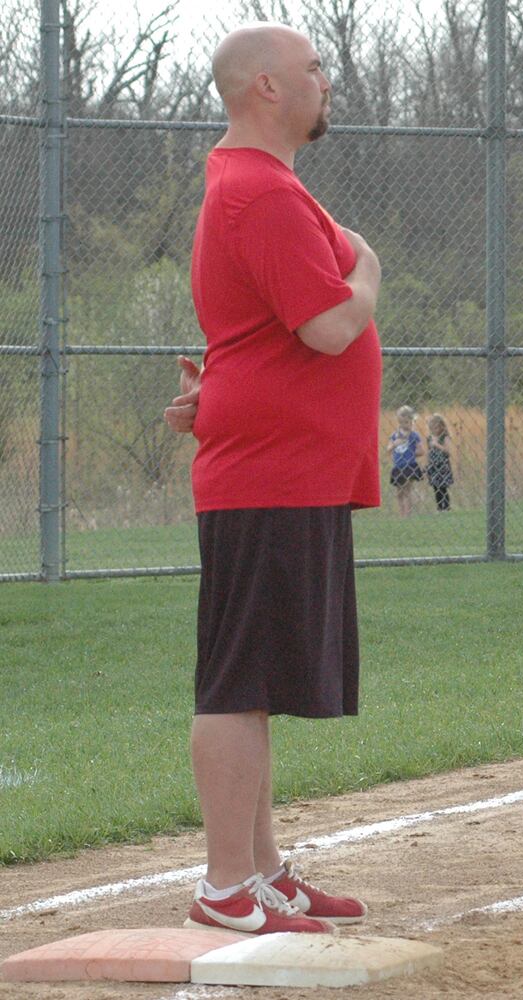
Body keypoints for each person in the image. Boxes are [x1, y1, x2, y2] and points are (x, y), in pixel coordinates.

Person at [164, 22, 377, 936]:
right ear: (264, 88)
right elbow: (328, 325)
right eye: (313, 69)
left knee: (253, 680)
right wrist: (368, 275)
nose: (327, 82)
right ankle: (224, 886)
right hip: (269, 474)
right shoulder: (258, 188)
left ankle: (262, 871)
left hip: (287, 466)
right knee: (236, 681)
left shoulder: (264, 185)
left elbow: (257, 332)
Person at [388, 405, 423, 516]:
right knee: (399, 492)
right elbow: (388, 449)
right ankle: (401, 513)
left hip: (410, 465)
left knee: (407, 490)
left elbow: (421, 451)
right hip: (398, 466)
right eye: (401, 423)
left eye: (407, 422)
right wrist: (394, 444)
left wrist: (410, 452)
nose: (404, 425)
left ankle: (407, 514)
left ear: (412, 421)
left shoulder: (414, 435)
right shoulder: (394, 436)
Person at [425, 413, 454, 512]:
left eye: (436, 428)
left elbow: (448, 451)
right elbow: (429, 451)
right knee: (435, 487)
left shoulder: (444, 437)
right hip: (433, 466)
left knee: (443, 487)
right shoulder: (429, 438)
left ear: (442, 426)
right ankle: (439, 507)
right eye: (432, 428)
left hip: (443, 466)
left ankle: (446, 506)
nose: (434, 430)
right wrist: (427, 464)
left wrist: (437, 445)